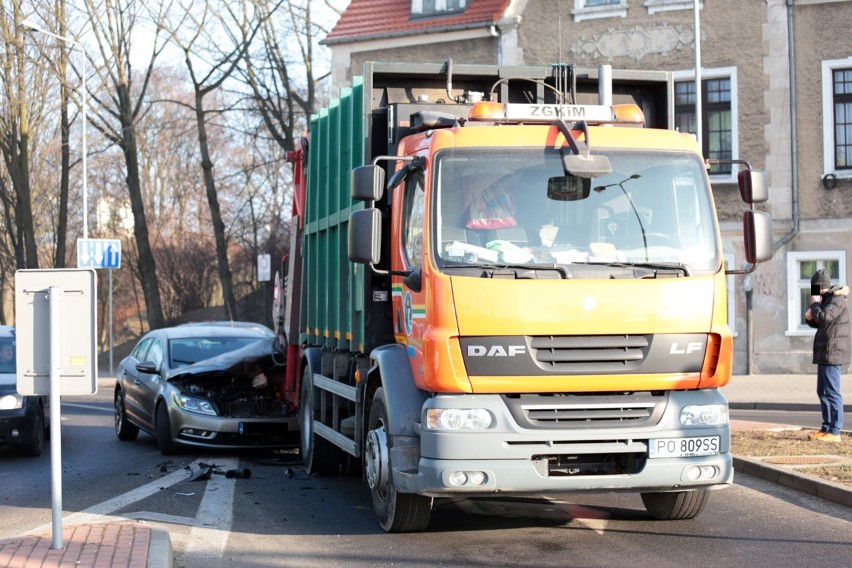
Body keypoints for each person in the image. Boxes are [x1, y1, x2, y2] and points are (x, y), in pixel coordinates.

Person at [804, 269, 849, 442]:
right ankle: (826, 428)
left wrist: (815, 305)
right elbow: (819, 323)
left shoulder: (837, 299)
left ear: (821, 287)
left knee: (831, 392)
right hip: (826, 351)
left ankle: (835, 431)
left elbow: (824, 317)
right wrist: (809, 317)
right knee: (822, 391)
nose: (814, 293)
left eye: (815, 289)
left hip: (833, 351)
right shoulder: (828, 299)